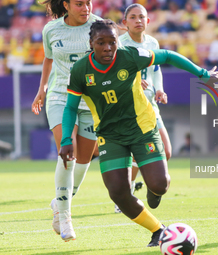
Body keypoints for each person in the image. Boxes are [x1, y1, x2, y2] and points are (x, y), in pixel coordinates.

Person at [59, 19, 218, 247]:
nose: (108, 47)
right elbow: (70, 107)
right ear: (91, 43)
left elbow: (167, 55)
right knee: (117, 192)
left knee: (160, 185)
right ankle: (158, 230)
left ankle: (154, 190)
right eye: (101, 43)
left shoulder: (129, 55)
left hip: (142, 129)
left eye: (112, 42)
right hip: (110, 136)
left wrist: (201, 72)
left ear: (118, 42)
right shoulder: (80, 70)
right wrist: (68, 139)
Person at [31, 0, 101, 242]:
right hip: (61, 97)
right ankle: (65, 217)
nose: (86, 8)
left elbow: (113, 57)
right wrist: (43, 88)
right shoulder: (51, 30)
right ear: (66, 5)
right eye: (80, 4)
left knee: (84, 160)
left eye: (89, 3)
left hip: (91, 101)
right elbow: (48, 59)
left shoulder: (98, 26)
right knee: (67, 155)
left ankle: (58, 202)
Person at [117, 3, 171, 213]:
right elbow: (113, 75)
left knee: (165, 152)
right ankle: (124, 196)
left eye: (142, 17)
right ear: (125, 22)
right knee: (131, 154)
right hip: (128, 107)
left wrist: (160, 89)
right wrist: (132, 80)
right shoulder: (119, 45)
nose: (138, 20)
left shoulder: (152, 42)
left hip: (149, 104)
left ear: (148, 21)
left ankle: (143, 188)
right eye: (133, 17)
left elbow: (156, 70)